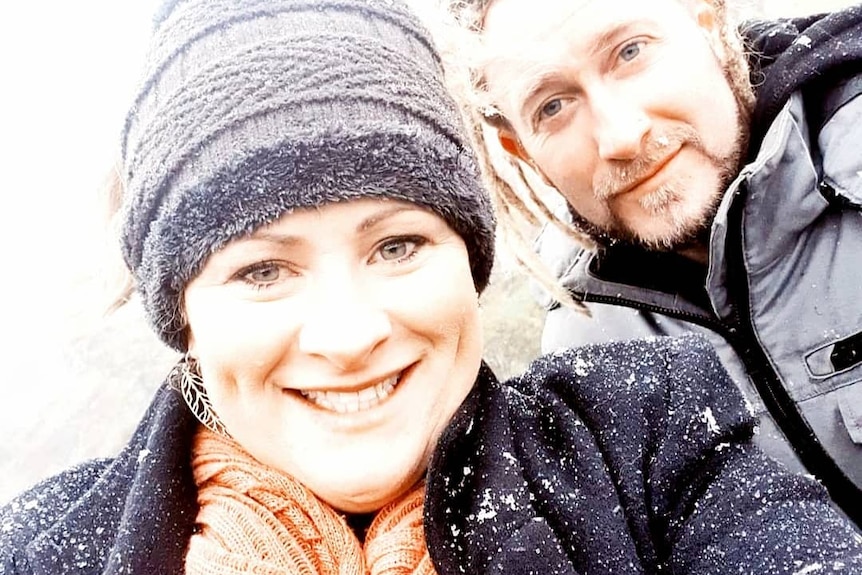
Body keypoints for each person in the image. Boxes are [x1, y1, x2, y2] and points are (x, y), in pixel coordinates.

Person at [2, 0, 862, 573]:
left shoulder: (642, 434)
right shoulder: (40, 549)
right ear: (180, 311)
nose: (346, 334)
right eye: (263, 269)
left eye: (397, 245)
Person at [441, 0, 862, 526]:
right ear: (523, 151)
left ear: (707, 22)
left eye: (631, 52)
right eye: (552, 107)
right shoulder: (589, 351)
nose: (620, 136)